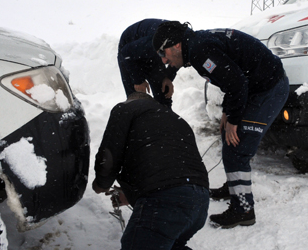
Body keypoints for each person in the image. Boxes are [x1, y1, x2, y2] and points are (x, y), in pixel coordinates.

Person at [152, 21, 289, 229]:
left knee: (237, 148)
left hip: (268, 89)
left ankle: (243, 210)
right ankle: (234, 186)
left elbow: (237, 83)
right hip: (253, 85)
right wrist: (228, 110)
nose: (163, 59)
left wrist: (233, 119)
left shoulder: (200, 52)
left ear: (177, 45)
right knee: (229, 138)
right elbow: (232, 77)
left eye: (163, 52)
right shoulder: (193, 45)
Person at [92, 91, 210, 250]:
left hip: (166, 199)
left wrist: (101, 183)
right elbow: (170, 167)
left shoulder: (127, 109)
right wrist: (131, 194)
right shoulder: (176, 119)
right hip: (199, 201)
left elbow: (109, 155)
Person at [118, 19, 177, 107]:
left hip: (152, 50)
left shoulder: (182, 43)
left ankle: (164, 117)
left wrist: (168, 77)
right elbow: (126, 53)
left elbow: (178, 60)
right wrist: (138, 80)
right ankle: (139, 116)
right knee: (136, 99)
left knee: (163, 94)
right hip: (130, 52)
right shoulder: (154, 42)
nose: (165, 61)